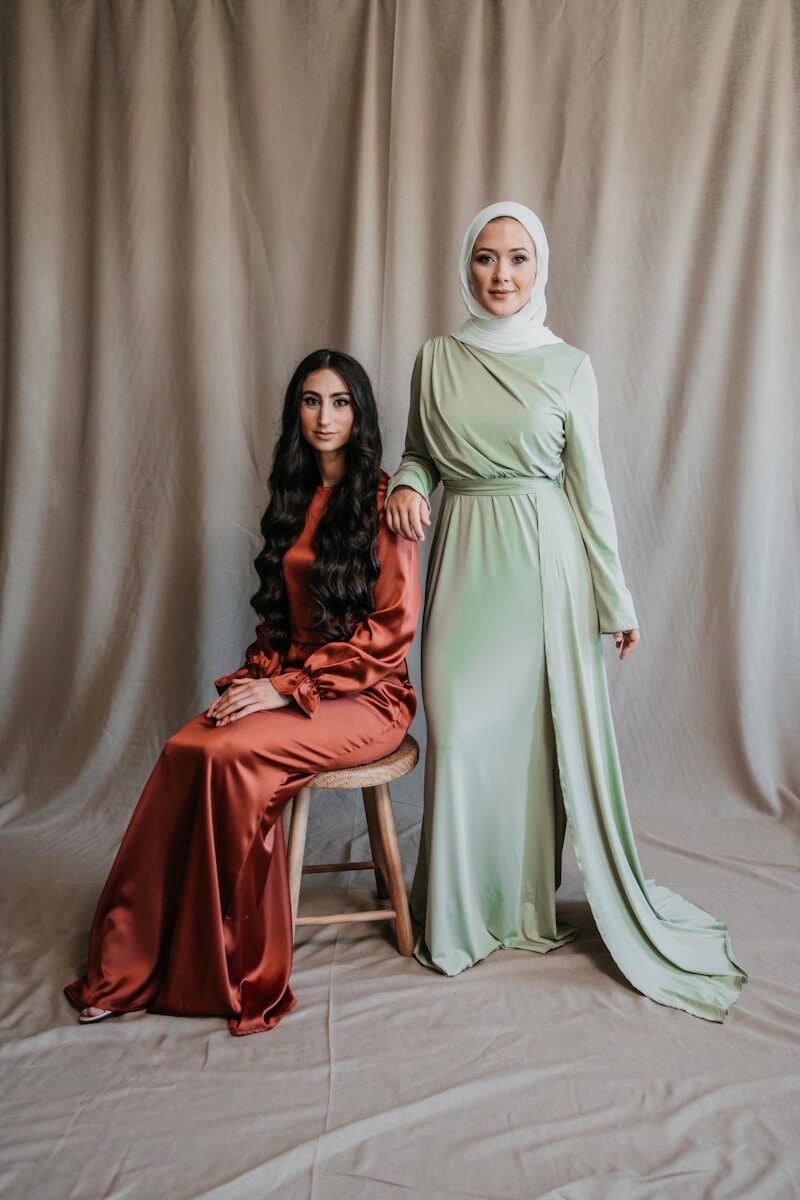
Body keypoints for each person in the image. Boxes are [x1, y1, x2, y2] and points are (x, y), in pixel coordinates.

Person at [386, 201, 747, 1022]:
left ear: (539, 268)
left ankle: (519, 912)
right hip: (467, 563)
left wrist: (616, 599)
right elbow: (417, 451)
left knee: (533, 747)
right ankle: (459, 916)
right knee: (465, 732)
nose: (501, 275)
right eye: (485, 258)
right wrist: (408, 484)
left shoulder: (568, 365)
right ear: (466, 266)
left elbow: (592, 494)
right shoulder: (435, 358)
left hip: (547, 572)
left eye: (517, 259)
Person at [65, 349, 421, 1036]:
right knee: (186, 746)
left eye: (341, 402)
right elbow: (280, 621)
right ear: (297, 411)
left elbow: (389, 637)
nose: (326, 416)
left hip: (368, 695)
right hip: (297, 685)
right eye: (312, 401)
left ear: (361, 414)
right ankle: (134, 960)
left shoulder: (382, 503)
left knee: (232, 760)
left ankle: (224, 965)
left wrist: (289, 688)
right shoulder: (291, 495)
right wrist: (265, 676)